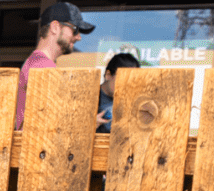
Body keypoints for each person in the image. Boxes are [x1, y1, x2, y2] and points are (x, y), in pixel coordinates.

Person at [14, 1, 94, 130]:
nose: (78, 37)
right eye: (75, 30)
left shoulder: (37, 63)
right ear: (55, 27)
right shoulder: (43, 67)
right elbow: (50, 123)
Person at [96, 52, 139, 132]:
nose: (127, 85)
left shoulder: (135, 102)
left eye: (133, 80)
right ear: (108, 75)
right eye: (124, 78)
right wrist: (87, 125)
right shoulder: (88, 98)